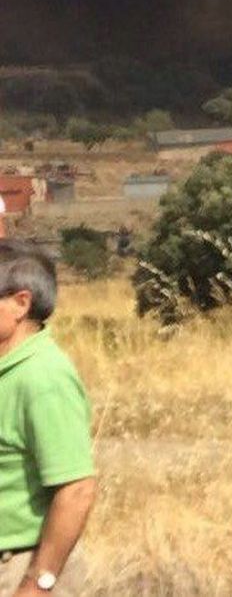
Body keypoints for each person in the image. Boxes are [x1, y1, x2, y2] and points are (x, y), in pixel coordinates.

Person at [0, 245, 97, 596]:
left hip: (18, 568)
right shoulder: (9, 370)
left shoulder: (43, 378)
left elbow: (76, 490)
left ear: (21, 303)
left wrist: (38, 583)